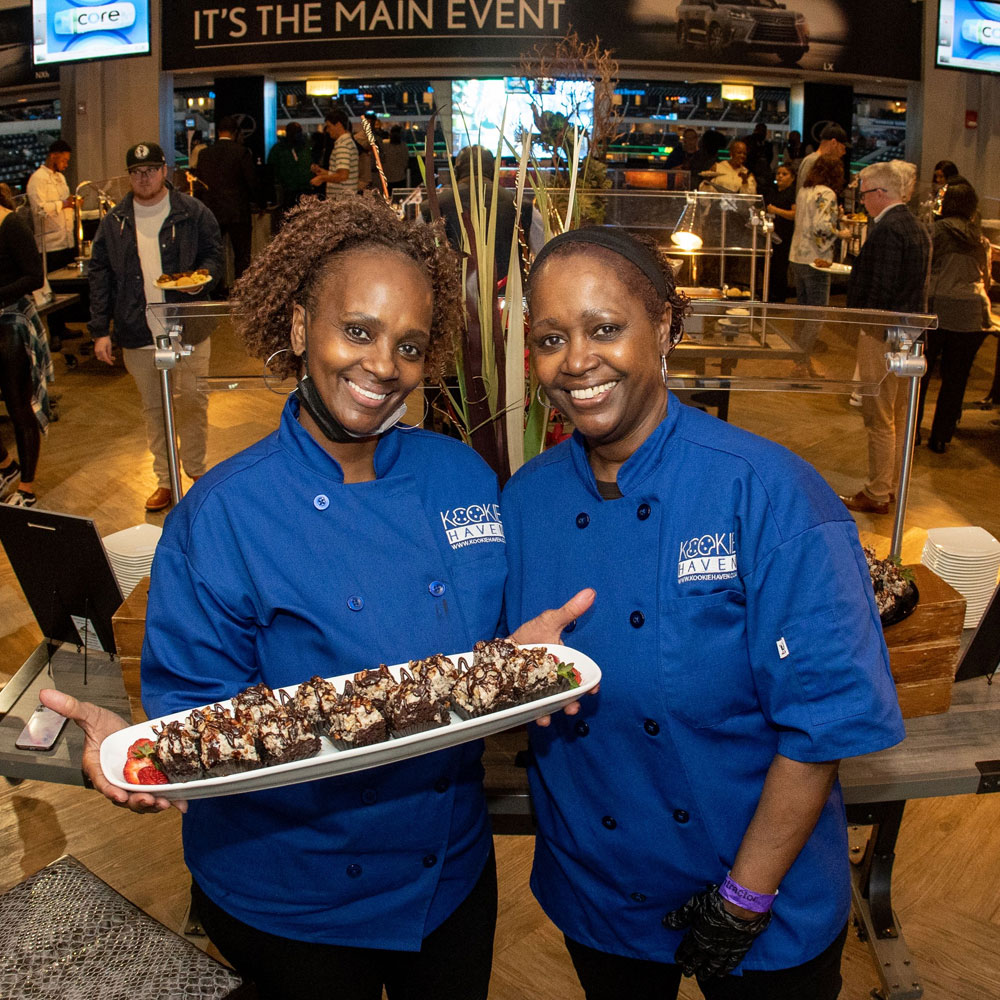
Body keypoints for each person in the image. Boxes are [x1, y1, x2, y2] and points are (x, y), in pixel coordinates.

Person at [40, 195, 588, 1000]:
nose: (382, 366)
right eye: (357, 331)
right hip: (291, 896)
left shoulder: (461, 474)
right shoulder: (222, 514)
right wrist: (144, 756)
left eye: (407, 344)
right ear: (299, 329)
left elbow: (476, 659)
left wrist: (523, 656)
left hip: (450, 875)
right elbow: (196, 719)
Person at [502, 224, 905, 1000]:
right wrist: (511, 668)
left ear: (665, 326)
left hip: (762, 886)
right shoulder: (527, 501)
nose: (577, 361)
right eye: (552, 337)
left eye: (606, 328)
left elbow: (823, 720)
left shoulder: (768, 492)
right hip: (601, 889)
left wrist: (746, 897)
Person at [88, 142, 223, 513]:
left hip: (189, 327)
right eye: (136, 172)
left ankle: (196, 472)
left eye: (150, 170)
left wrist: (203, 280)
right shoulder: (115, 220)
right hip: (136, 329)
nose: (143, 177)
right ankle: (166, 479)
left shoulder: (192, 212)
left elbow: (215, 255)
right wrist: (100, 329)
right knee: (154, 408)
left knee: (194, 401)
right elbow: (99, 275)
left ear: (165, 171)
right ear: (128, 176)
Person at [839, 161, 931, 516]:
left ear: (880, 193)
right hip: (911, 333)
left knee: (880, 416)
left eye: (863, 194)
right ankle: (890, 485)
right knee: (901, 414)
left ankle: (878, 492)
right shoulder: (917, 227)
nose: (861, 201)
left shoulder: (889, 229)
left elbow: (881, 292)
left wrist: (860, 320)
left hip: (884, 334)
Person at [917, 178, 994, 453]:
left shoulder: (934, 232)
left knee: (921, 372)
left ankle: (913, 431)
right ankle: (941, 437)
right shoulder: (980, 239)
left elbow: (922, 270)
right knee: (956, 378)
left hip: (938, 309)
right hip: (971, 314)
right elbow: (986, 279)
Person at [0, 182, 50, 507]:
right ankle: (7, 466)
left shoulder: (11, 224)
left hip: (11, 323)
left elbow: (35, 276)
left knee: (19, 406)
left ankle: (27, 487)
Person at [423, 145, 530, 285]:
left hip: (453, 297)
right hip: (507, 298)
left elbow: (415, 256)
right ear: (493, 172)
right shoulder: (522, 205)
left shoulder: (430, 207)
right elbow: (545, 249)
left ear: (455, 172)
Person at [193, 115, 258, 288]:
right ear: (236, 133)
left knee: (213, 254)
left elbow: (199, 184)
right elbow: (251, 181)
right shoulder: (241, 152)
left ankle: (216, 289)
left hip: (213, 211)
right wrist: (258, 201)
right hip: (238, 210)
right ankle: (241, 290)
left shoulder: (205, 154)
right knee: (242, 255)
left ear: (218, 132)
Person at [26, 139, 75, 352]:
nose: (65, 164)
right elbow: (38, 209)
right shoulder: (37, 179)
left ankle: (63, 326)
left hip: (65, 239)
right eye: (63, 160)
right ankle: (54, 332)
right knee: (53, 288)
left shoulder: (61, 178)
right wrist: (62, 205)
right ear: (54, 155)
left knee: (66, 286)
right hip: (49, 243)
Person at [788, 156, 850, 311]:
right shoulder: (827, 193)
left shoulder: (804, 190)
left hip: (796, 255)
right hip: (816, 258)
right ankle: (809, 337)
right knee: (817, 311)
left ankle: (799, 336)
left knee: (803, 308)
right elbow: (822, 227)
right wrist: (842, 233)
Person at [266, 121, 314, 229]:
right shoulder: (279, 149)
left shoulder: (305, 147)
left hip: (305, 189)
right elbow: (272, 170)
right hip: (287, 191)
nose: (296, 135)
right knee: (288, 221)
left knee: (305, 221)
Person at [764, 162, 796, 301]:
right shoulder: (774, 192)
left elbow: (794, 214)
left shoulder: (792, 194)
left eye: (784, 174)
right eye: (778, 174)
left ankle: (779, 297)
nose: (780, 176)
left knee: (780, 267)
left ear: (792, 177)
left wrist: (776, 210)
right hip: (771, 235)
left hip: (785, 235)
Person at [310, 109, 358, 201]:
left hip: (341, 200)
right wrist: (323, 172)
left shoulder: (343, 145)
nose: (327, 130)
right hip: (346, 199)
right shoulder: (347, 142)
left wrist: (322, 178)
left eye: (329, 126)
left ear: (338, 125)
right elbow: (342, 174)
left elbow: (343, 176)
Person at [796, 124, 847, 194]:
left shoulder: (824, 161)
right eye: (842, 148)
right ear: (834, 143)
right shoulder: (812, 160)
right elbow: (803, 191)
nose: (844, 152)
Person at [381, 125, 410, 194]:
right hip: (393, 178)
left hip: (396, 178)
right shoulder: (403, 146)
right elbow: (406, 162)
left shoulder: (385, 145)